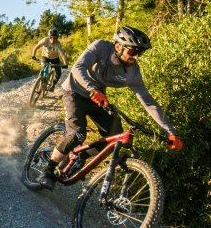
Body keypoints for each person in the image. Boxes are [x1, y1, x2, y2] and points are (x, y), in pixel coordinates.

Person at [40, 25, 183, 190]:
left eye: (140, 53)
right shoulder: (101, 47)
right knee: (78, 134)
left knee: (114, 138)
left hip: (97, 98)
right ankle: (48, 170)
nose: (137, 57)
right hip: (74, 92)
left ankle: (80, 156)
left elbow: (148, 102)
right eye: (133, 51)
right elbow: (78, 68)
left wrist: (171, 132)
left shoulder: (133, 72)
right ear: (118, 46)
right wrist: (92, 88)